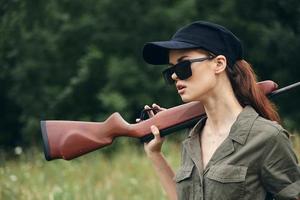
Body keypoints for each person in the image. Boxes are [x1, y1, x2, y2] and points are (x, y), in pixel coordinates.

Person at [138, 21, 300, 200]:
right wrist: (155, 154)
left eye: (183, 65)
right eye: (171, 71)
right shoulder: (193, 138)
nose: (175, 75)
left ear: (219, 63)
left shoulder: (267, 136)